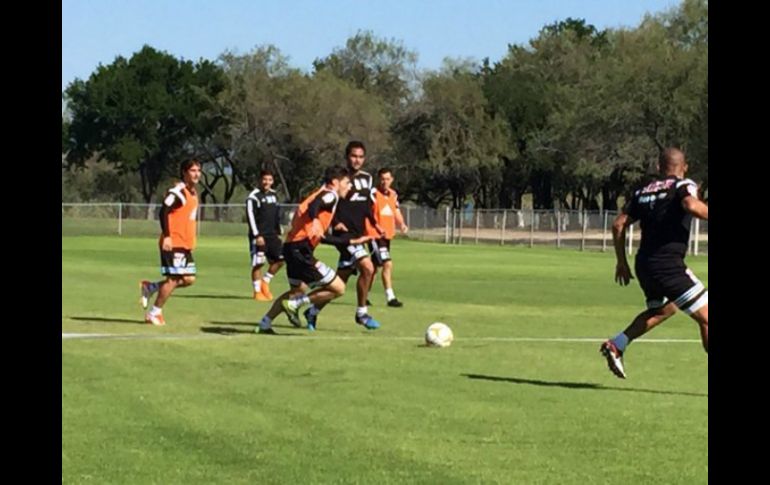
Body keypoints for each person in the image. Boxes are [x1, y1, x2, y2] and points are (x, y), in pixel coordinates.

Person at [600, 148, 709, 378]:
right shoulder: (683, 185)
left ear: (659, 168)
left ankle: (617, 344)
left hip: (644, 265)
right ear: (684, 167)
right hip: (668, 266)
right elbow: (691, 206)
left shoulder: (642, 192)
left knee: (664, 309)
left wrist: (621, 262)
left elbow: (618, 224)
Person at [256, 166, 370, 334]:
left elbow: (322, 237)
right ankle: (296, 305)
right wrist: (315, 219)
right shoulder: (330, 194)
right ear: (335, 182)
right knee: (338, 288)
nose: (350, 186)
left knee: (297, 290)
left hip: (292, 247)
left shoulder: (321, 195)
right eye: (347, 182)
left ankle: (265, 323)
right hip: (300, 250)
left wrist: (353, 240)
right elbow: (314, 207)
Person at [303, 141, 383, 331]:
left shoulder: (367, 179)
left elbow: (366, 206)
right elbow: (324, 201)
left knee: (339, 283)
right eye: (354, 156)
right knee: (368, 268)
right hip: (344, 236)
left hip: (358, 234)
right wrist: (334, 222)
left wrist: (374, 223)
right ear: (347, 157)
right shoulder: (338, 179)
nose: (357, 160)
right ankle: (362, 313)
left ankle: (312, 311)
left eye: (361, 156)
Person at [140, 159, 202, 326]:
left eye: (198, 170)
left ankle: (151, 287)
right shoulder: (178, 192)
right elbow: (163, 211)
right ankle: (154, 314)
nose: (197, 174)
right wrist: (167, 236)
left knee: (188, 279)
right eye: (193, 170)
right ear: (184, 172)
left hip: (185, 244)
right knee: (173, 279)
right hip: (173, 243)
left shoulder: (193, 193)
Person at [368, 167, 408, 307]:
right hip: (375, 235)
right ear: (379, 179)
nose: (385, 182)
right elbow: (367, 211)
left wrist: (402, 224)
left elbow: (395, 210)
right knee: (387, 263)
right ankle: (390, 298)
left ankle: (364, 294)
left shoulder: (393, 194)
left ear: (392, 180)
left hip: (387, 235)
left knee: (373, 268)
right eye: (382, 179)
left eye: (387, 179)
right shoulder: (373, 193)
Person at [246, 169, 285, 301]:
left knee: (281, 259)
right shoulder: (253, 197)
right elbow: (250, 217)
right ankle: (257, 292)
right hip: (259, 237)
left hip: (273, 235)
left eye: (269, 180)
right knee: (258, 263)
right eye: (264, 179)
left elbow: (277, 215)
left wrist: (279, 230)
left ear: (272, 181)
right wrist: (257, 236)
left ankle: (265, 281)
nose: (266, 182)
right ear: (259, 180)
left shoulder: (274, 195)